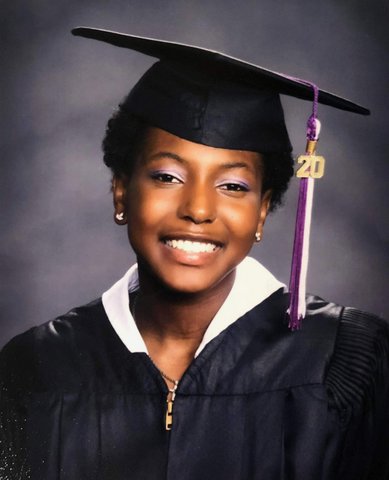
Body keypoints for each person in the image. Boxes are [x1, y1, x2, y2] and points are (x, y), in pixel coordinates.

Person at [1, 28, 388, 480]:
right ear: (121, 191)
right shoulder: (35, 370)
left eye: (233, 186)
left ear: (262, 212)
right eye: (167, 177)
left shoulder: (349, 362)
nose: (199, 210)